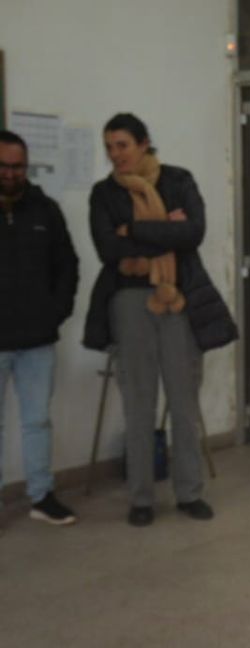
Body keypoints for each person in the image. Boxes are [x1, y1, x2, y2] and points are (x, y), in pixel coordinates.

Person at [84, 113, 237, 527]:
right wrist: (161, 229)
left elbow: (193, 234)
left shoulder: (178, 180)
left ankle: (189, 492)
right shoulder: (104, 193)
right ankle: (142, 498)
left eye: (122, 145)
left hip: (178, 300)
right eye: (109, 147)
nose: (115, 155)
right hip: (129, 302)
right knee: (138, 403)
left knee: (184, 402)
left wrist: (131, 229)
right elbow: (107, 250)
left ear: (144, 143)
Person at [0, 130, 80, 527]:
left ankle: (41, 495)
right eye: (4, 166)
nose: (11, 174)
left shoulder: (45, 210)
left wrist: (56, 312)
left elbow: (67, 265)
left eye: (18, 166)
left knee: (37, 421)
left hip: (37, 339)